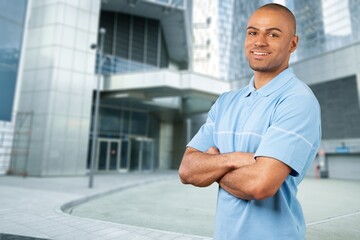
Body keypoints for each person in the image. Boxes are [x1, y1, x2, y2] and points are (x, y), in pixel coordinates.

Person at [178, 3, 321, 240]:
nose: (259, 42)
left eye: (273, 34)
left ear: (292, 44)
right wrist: (236, 160)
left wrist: (213, 166)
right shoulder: (225, 102)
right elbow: (187, 169)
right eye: (253, 32)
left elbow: (260, 185)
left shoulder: (297, 101)